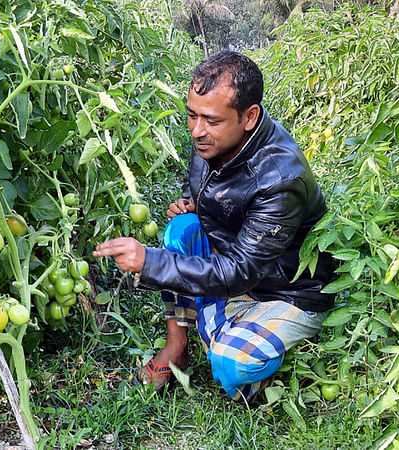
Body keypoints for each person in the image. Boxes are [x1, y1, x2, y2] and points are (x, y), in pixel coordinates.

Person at [92, 51, 336, 402]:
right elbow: (224, 192)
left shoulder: (280, 177)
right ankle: (177, 348)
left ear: (249, 117)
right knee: (182, 230)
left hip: (288, 288)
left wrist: (150, 263)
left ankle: (245, 356)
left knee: (230, 363)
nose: (196, 130)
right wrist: (198, 205)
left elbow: (240, 270)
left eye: (210, 120)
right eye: (191, 115)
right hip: (240, 259)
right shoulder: (215, 138)